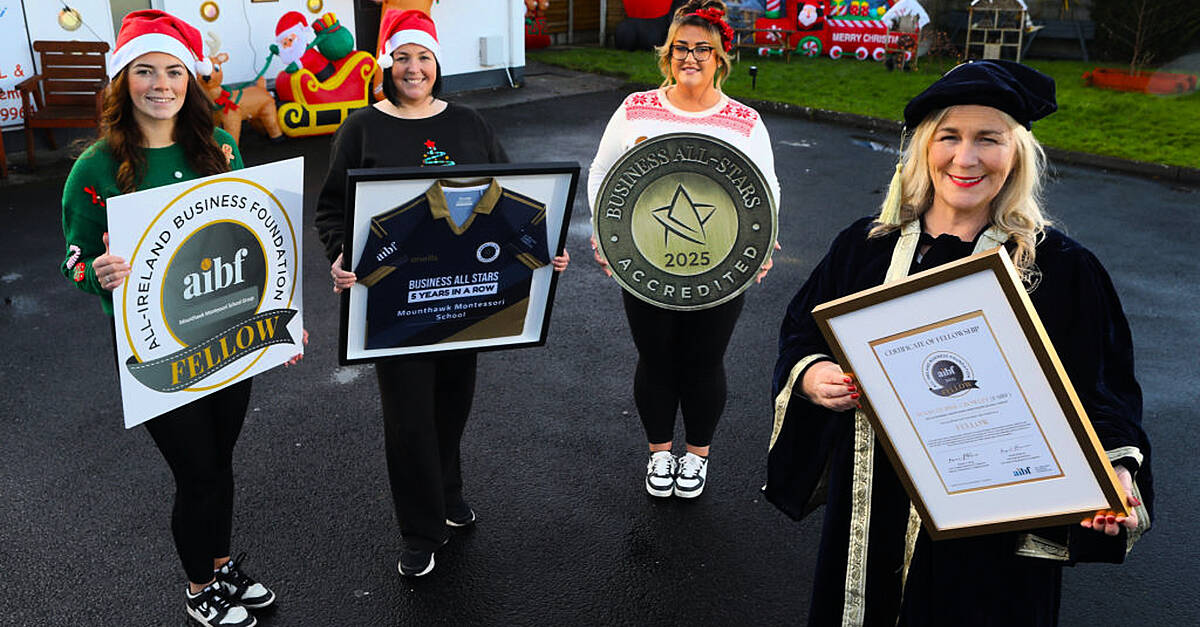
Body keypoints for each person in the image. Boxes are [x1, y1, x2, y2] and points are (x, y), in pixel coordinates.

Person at [766, 60, 1152, 626]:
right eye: (949, 136)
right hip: (873, 507)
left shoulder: (1062, 269)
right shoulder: (867, 248)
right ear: (924, 146)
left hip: (997, 525)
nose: (965, 159)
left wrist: (1113, 472)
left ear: (1017, 152)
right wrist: (811, 374)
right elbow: (802, 331)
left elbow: (1103, 389)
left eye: (988, 139)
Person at [59, 10, 302, 627]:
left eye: (173, 70)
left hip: (230, 334)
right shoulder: (94, 170)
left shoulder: (219, 146)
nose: (160, 84)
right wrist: (99, 274)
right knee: (196, 473)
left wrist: (286, 321)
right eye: (144, 71)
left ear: (191, 79)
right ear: (122, 80)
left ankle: (220, 568)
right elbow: (76, 261)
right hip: (157, 349)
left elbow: (256, 239)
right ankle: (200, 591)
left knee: (219, 464)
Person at [314, 9, 570, 578]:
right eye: (402, 57)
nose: (413, 68)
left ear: (437, 64)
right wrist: (340, 252)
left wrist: (541, 247)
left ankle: (448, 493)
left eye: (423, 57)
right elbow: (333, 207)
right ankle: (420, 529)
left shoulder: (470, 124)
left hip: (462, 299)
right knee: (408, 419)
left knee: (452, 404)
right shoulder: (361, 128)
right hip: (393, 304)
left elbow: (509, 196)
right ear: (386, 64)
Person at [587, 0, 781, 499]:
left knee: (704, 360)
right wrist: (606, 235)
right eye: (680, 48)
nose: (690, 57)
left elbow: (767, 191)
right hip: (644, 260)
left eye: (702, 49)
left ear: (721, 57)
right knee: (655, 359)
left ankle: (696, 456)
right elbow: (603, 174)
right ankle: (659, 453)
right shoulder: (635, 109)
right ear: (666, 55)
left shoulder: (744, 121)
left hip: (719, 264)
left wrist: (760, 248)